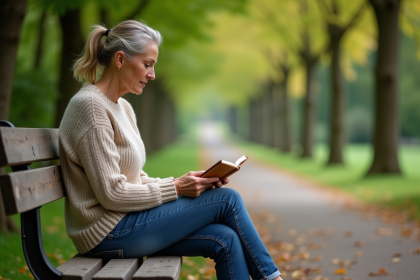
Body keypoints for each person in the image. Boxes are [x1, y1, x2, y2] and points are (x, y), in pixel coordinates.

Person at [59, 20, 282, 280]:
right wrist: (176, 188)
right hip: (106, 234)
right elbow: (112, 194)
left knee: (226, 238)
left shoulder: (123, 107)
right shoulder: (91, 107)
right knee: (227, 200)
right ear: (120, 59)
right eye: (147, 64)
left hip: (126, 223)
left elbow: (134, 177)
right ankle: (273, 278)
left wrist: (187, 183)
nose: (152, 74)